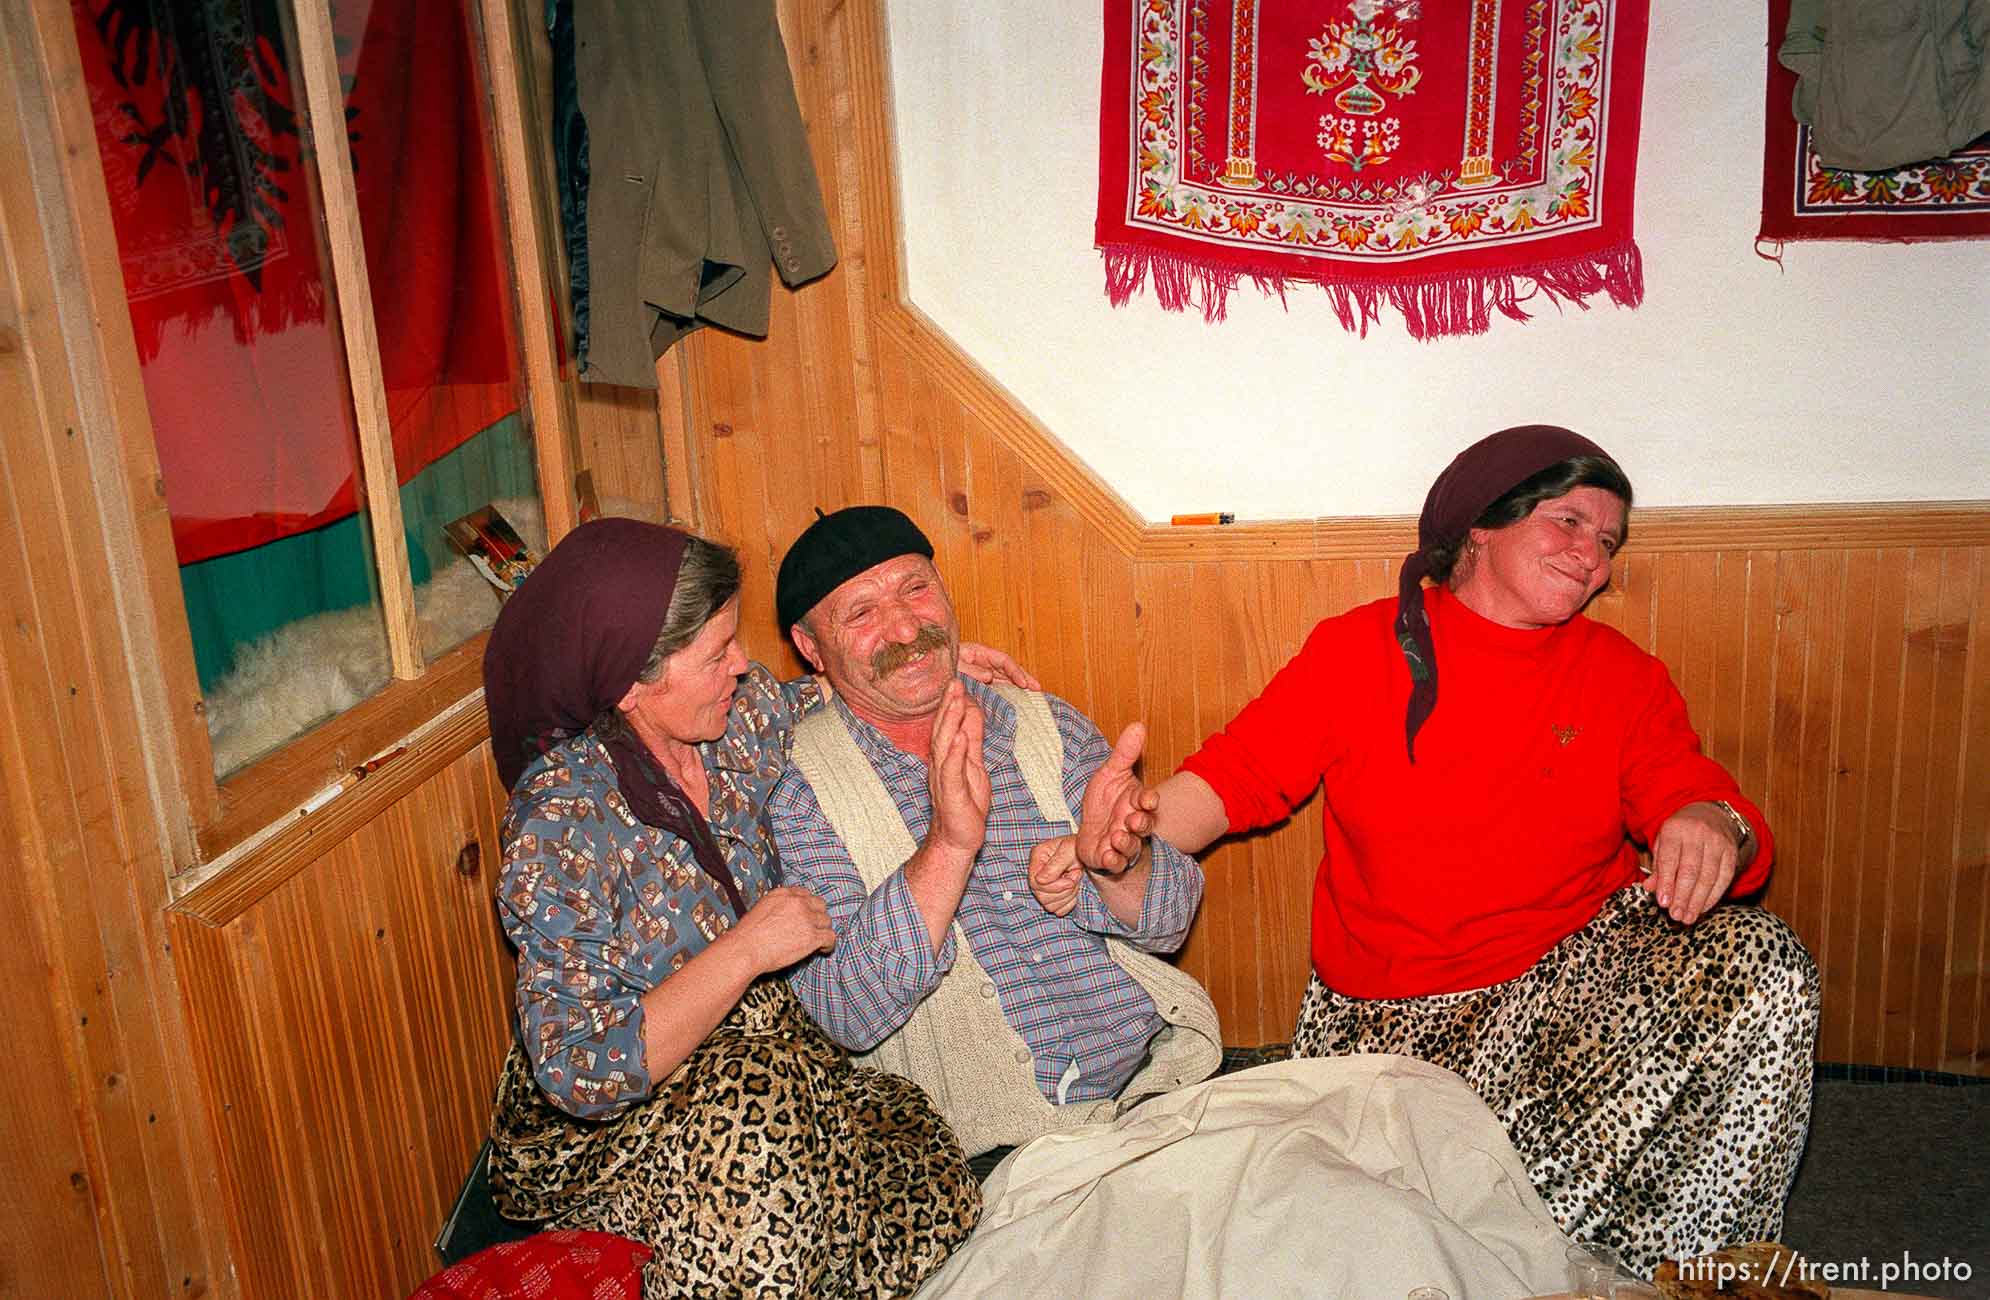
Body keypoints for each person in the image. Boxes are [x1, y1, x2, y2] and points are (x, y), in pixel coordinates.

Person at [1109, 426, 1821, 1278]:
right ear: (1482, 525)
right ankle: (1509, 1238)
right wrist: (1132, 833)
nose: (1591, 555)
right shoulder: (1361, 648)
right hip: (1389, 1021)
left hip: (1566, 994)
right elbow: (1238, 778)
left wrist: (1714, 823)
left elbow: (1697, 790)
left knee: (1762, 961)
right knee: (1386, 1219)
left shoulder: (1619, 673)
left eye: (1607, 541)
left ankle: (1705, 1274)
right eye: (1567, 522)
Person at [480, 517, 1022, 1297]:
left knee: (925, 1166)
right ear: (633, 682)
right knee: (755, 1132)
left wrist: (930, 667)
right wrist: (745, 950)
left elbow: (813, 690)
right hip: (629, 1122)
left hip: (774, 1062)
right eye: (717, 654)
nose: (742, 665)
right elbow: (578, 1071)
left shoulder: (735, 727)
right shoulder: (561, 820)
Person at [766, 506, 1222, 1159]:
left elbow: (1171, 921)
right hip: (992, 1154)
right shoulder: (800, 789)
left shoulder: (1043, 723)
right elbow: (847, 1010)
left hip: (1161, 1084)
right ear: (811, 647)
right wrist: (950, 846)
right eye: (861, 614)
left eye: (915, 589)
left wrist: (1119, 864)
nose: (904, 626)